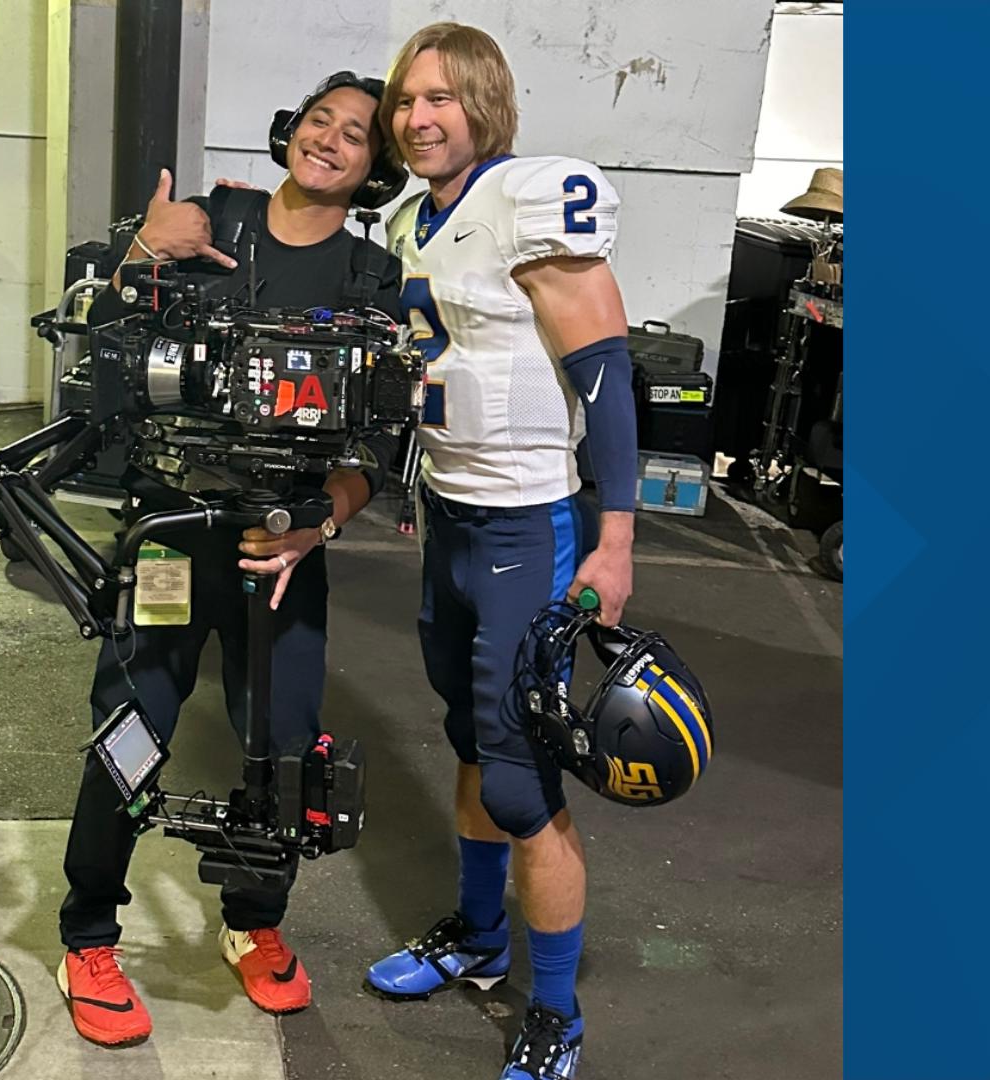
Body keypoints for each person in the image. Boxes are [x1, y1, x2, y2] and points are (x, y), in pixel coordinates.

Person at [53, 72, 407, 1048]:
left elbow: (375, 442)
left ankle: (254, 924)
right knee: (132, 729)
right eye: (321, 120)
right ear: (291, 129)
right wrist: (137, 250)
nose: (331, 140)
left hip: (282, 551)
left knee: (282, 742)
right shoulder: (215, 218)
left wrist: (317, 524)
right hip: (170, 532)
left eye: (357, 135)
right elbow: (99, 324)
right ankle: (87, 934)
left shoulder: (370, 277)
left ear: (375, 168)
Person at [362, 23, 639, 1080]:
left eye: (440, 97)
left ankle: (557, 1010)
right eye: (405, 101)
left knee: (523, 783)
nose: (419, 117)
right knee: (474, 747)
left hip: (533, 527)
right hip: (454, 522)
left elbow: (608, 374)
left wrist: (614, 541)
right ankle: (479, 942)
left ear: (483, 102)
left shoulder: (530, 198)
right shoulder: (407, 221)